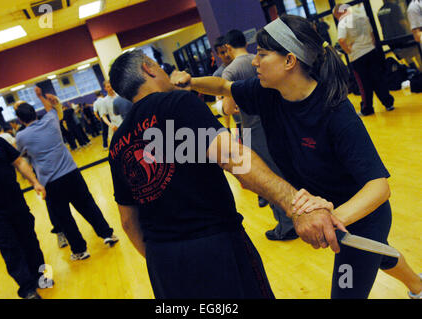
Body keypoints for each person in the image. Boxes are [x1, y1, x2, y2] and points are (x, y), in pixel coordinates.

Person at [171, 14, 421, 299]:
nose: (254, 62)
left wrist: (328, 219)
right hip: (332, 213)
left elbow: (379, 187)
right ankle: (418, 286)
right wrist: (190, 82)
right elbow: (223, 87)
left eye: (262, 55)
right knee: (380, 254)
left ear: (289, 61)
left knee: (348, 287)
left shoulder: (335, 113)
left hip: (361, 217)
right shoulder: (267, 92)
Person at [108, 49, 344, 299]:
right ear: (149, 68)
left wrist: (163, 258)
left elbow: (127, 220)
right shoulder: (177, 104)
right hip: (214, 250)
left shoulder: (118, 142)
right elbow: (233, 158)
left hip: (163, 263)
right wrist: (298, 206)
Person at [14, 87, 119, 261]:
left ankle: (79, 250)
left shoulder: (21, 137)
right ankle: (108, 234)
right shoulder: (50, 120)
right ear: (34, 112)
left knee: (64, 217)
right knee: (88, 205)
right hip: (71, 174)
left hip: (50, 182)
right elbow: (51, 109)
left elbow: (21, 156)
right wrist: (40, 96)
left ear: (19, 119)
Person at [221, 29, 296, 240]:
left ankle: (287, 225)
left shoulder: (230, 71)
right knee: (286, 169)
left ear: (227, 47)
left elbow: (228, 108)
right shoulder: (261, 61)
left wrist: (225, 108)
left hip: (252, 128)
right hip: (277, 120)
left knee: (268, 177)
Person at [0, 115, 48, 299]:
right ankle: (27, 288)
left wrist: (35, 182)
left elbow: (19, 162)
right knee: (10, 249)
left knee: (30, 240)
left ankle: (41, 277)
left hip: (16, 204)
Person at [333, 4, 395, 116]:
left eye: (336, 16)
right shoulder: (361, 16)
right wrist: (370, 45)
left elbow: (341, 40)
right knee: (378, 78)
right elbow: (372, 34)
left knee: (364, 84)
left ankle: (367, 109)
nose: (337, 18)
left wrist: (348, 51)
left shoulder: (343, 22)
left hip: (357, 56)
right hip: (371, 51)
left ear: (340, 12)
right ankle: (388, 103)